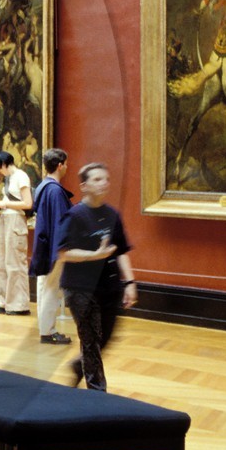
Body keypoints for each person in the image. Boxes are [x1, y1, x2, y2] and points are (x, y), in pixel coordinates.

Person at [54, 162, 137, 392]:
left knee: (105, 338)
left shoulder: (112, 214)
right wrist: (95, 255)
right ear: (84, 185)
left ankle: (78, 366)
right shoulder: (75, 215)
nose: (104, 183)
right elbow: (63, 253)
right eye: (97, 179)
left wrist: (130, 282)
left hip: (109, 287)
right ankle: (97, 393)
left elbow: (120, 251)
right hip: (80, 288)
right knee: (90, 340)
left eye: (106, 179)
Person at [28, 148, 73, 345]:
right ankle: (48, 332)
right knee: (50, 290)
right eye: (66, 163)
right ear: (60, 165)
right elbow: (59, 223)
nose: (67, 167)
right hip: (53, 248)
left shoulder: (43, 187)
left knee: (45, 288)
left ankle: (46, 329)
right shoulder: (54, 191)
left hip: (44, 246)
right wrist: (61, 251)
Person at [0, 150, 33, 317]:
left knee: (15, 263)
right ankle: (3, 300)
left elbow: (28, 203)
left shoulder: (21, 176)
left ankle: (18, 304)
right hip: (4, 220)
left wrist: (5, 204)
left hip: (16, 222)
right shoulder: (8, 179)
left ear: (6, 164)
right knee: (0, 262)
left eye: (0, 168)